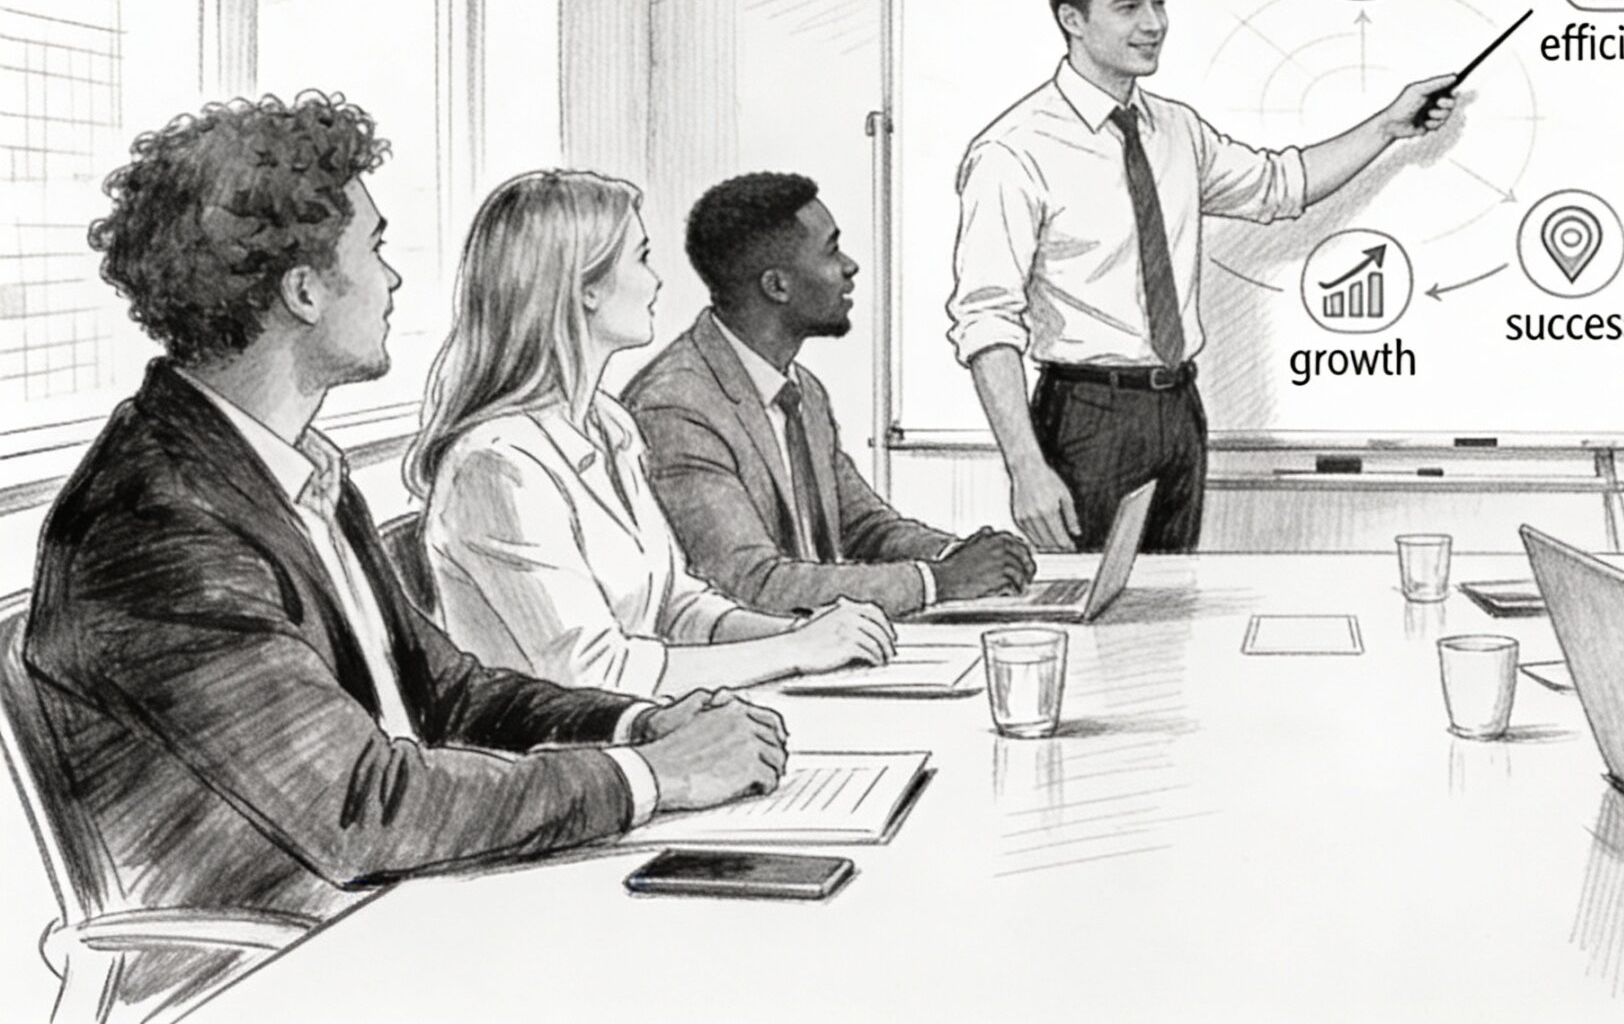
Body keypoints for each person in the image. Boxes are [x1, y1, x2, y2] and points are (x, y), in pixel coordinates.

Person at [23, 97, 781, 963]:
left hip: (398, 909)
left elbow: (451, 694)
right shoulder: (154, 520)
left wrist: (635, 727)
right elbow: (361, 806)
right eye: (376, 251)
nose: (394, 280)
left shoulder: (298, 474)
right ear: (303, 292)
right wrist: (657, 777)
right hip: (292, 969)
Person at [950, 0, 1459, 555]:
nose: (1154, 24)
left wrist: (1387, 126)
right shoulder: (1014, 150)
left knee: (1171, 612)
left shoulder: (1176, 130)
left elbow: (1280, 184)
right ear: (1071, 19)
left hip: (1179, 413)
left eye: (1159, 3)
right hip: (1086, 418)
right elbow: (987, 320)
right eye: (1128, 6)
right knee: (1095, 627)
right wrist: (1026, 467)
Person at [413, 170, 898, 694]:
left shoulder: (609, 426)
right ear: (587, 289)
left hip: (641, 731)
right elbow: (595, 671)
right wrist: (795, 650)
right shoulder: (497, 464)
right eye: (641, 258)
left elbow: (678, 607)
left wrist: (806, 635)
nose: (657, 280)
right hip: (557, 760)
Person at [626, 173, 1035, 617]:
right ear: (776, 286)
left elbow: (864, 528)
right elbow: (749, 584)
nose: (849, 266)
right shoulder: (676, 405)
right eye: (831, 250)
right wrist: (941, 581)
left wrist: (961, 554)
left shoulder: (802, 391)